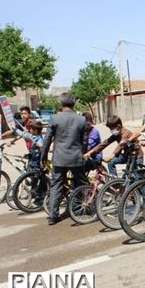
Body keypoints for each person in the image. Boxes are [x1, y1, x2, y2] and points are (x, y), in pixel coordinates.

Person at [41, 93, 88, 225]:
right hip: (76, 157)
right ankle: (86, 207)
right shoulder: (81, 119)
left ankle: (52, 216)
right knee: (82, 183)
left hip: (59, 158)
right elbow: (84, 141)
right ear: (74, 104)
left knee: (56, 185)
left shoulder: (54, 118)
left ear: (61, 104)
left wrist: (43, 156)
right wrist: (81, 153)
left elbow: (47, 140)